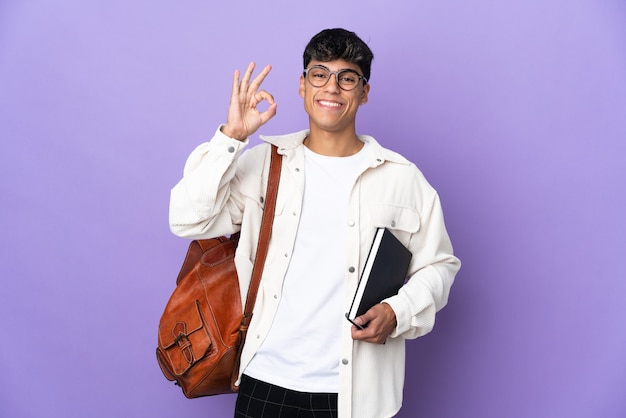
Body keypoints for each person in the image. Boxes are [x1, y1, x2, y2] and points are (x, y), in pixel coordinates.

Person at [169, 28, 460, 418]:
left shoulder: (402, 179)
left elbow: (440, 265)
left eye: (347, 77)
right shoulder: (265, 164)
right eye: (319, 73)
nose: (332, 87)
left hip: (357, 393)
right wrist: (232, 137)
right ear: (303, 86)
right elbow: (187, 219)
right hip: (266, 380)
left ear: (364, 91)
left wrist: (398, 311)